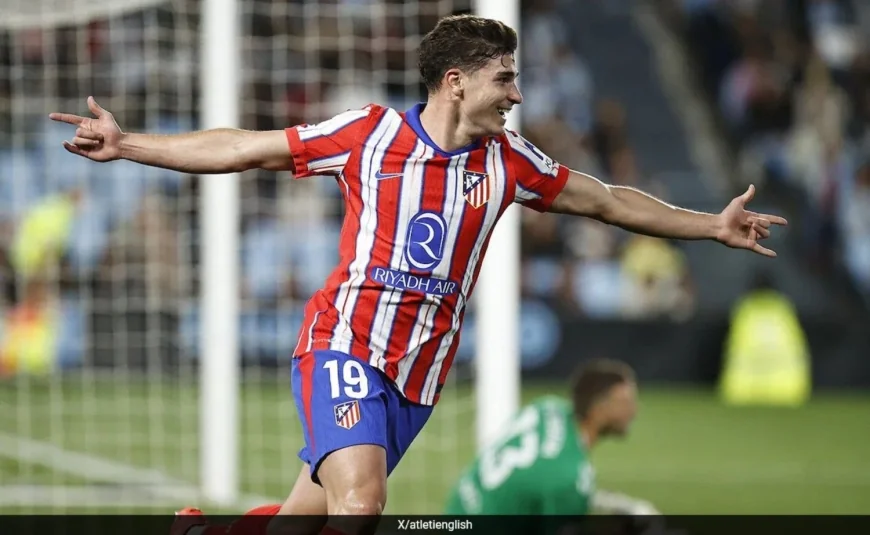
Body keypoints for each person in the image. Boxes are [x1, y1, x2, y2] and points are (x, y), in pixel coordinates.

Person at [49, 14, 786, 535]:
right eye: (505, 79)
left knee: (304, 521)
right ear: (457, 82)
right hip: (344, 344)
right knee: (362, 506)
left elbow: (607, 201)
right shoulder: (369, 134)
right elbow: (244, 146)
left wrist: (709, 224)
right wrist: (130, 144)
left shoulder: (511, 161)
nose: (518, 96)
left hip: (416, 380)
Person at [444, 359, 659, 533]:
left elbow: (536, 478)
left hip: (460, 508)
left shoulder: (546, 407)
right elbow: (557, 487)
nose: (634, 411)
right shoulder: (568, 478)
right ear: (599, 408)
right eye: (625, 403)